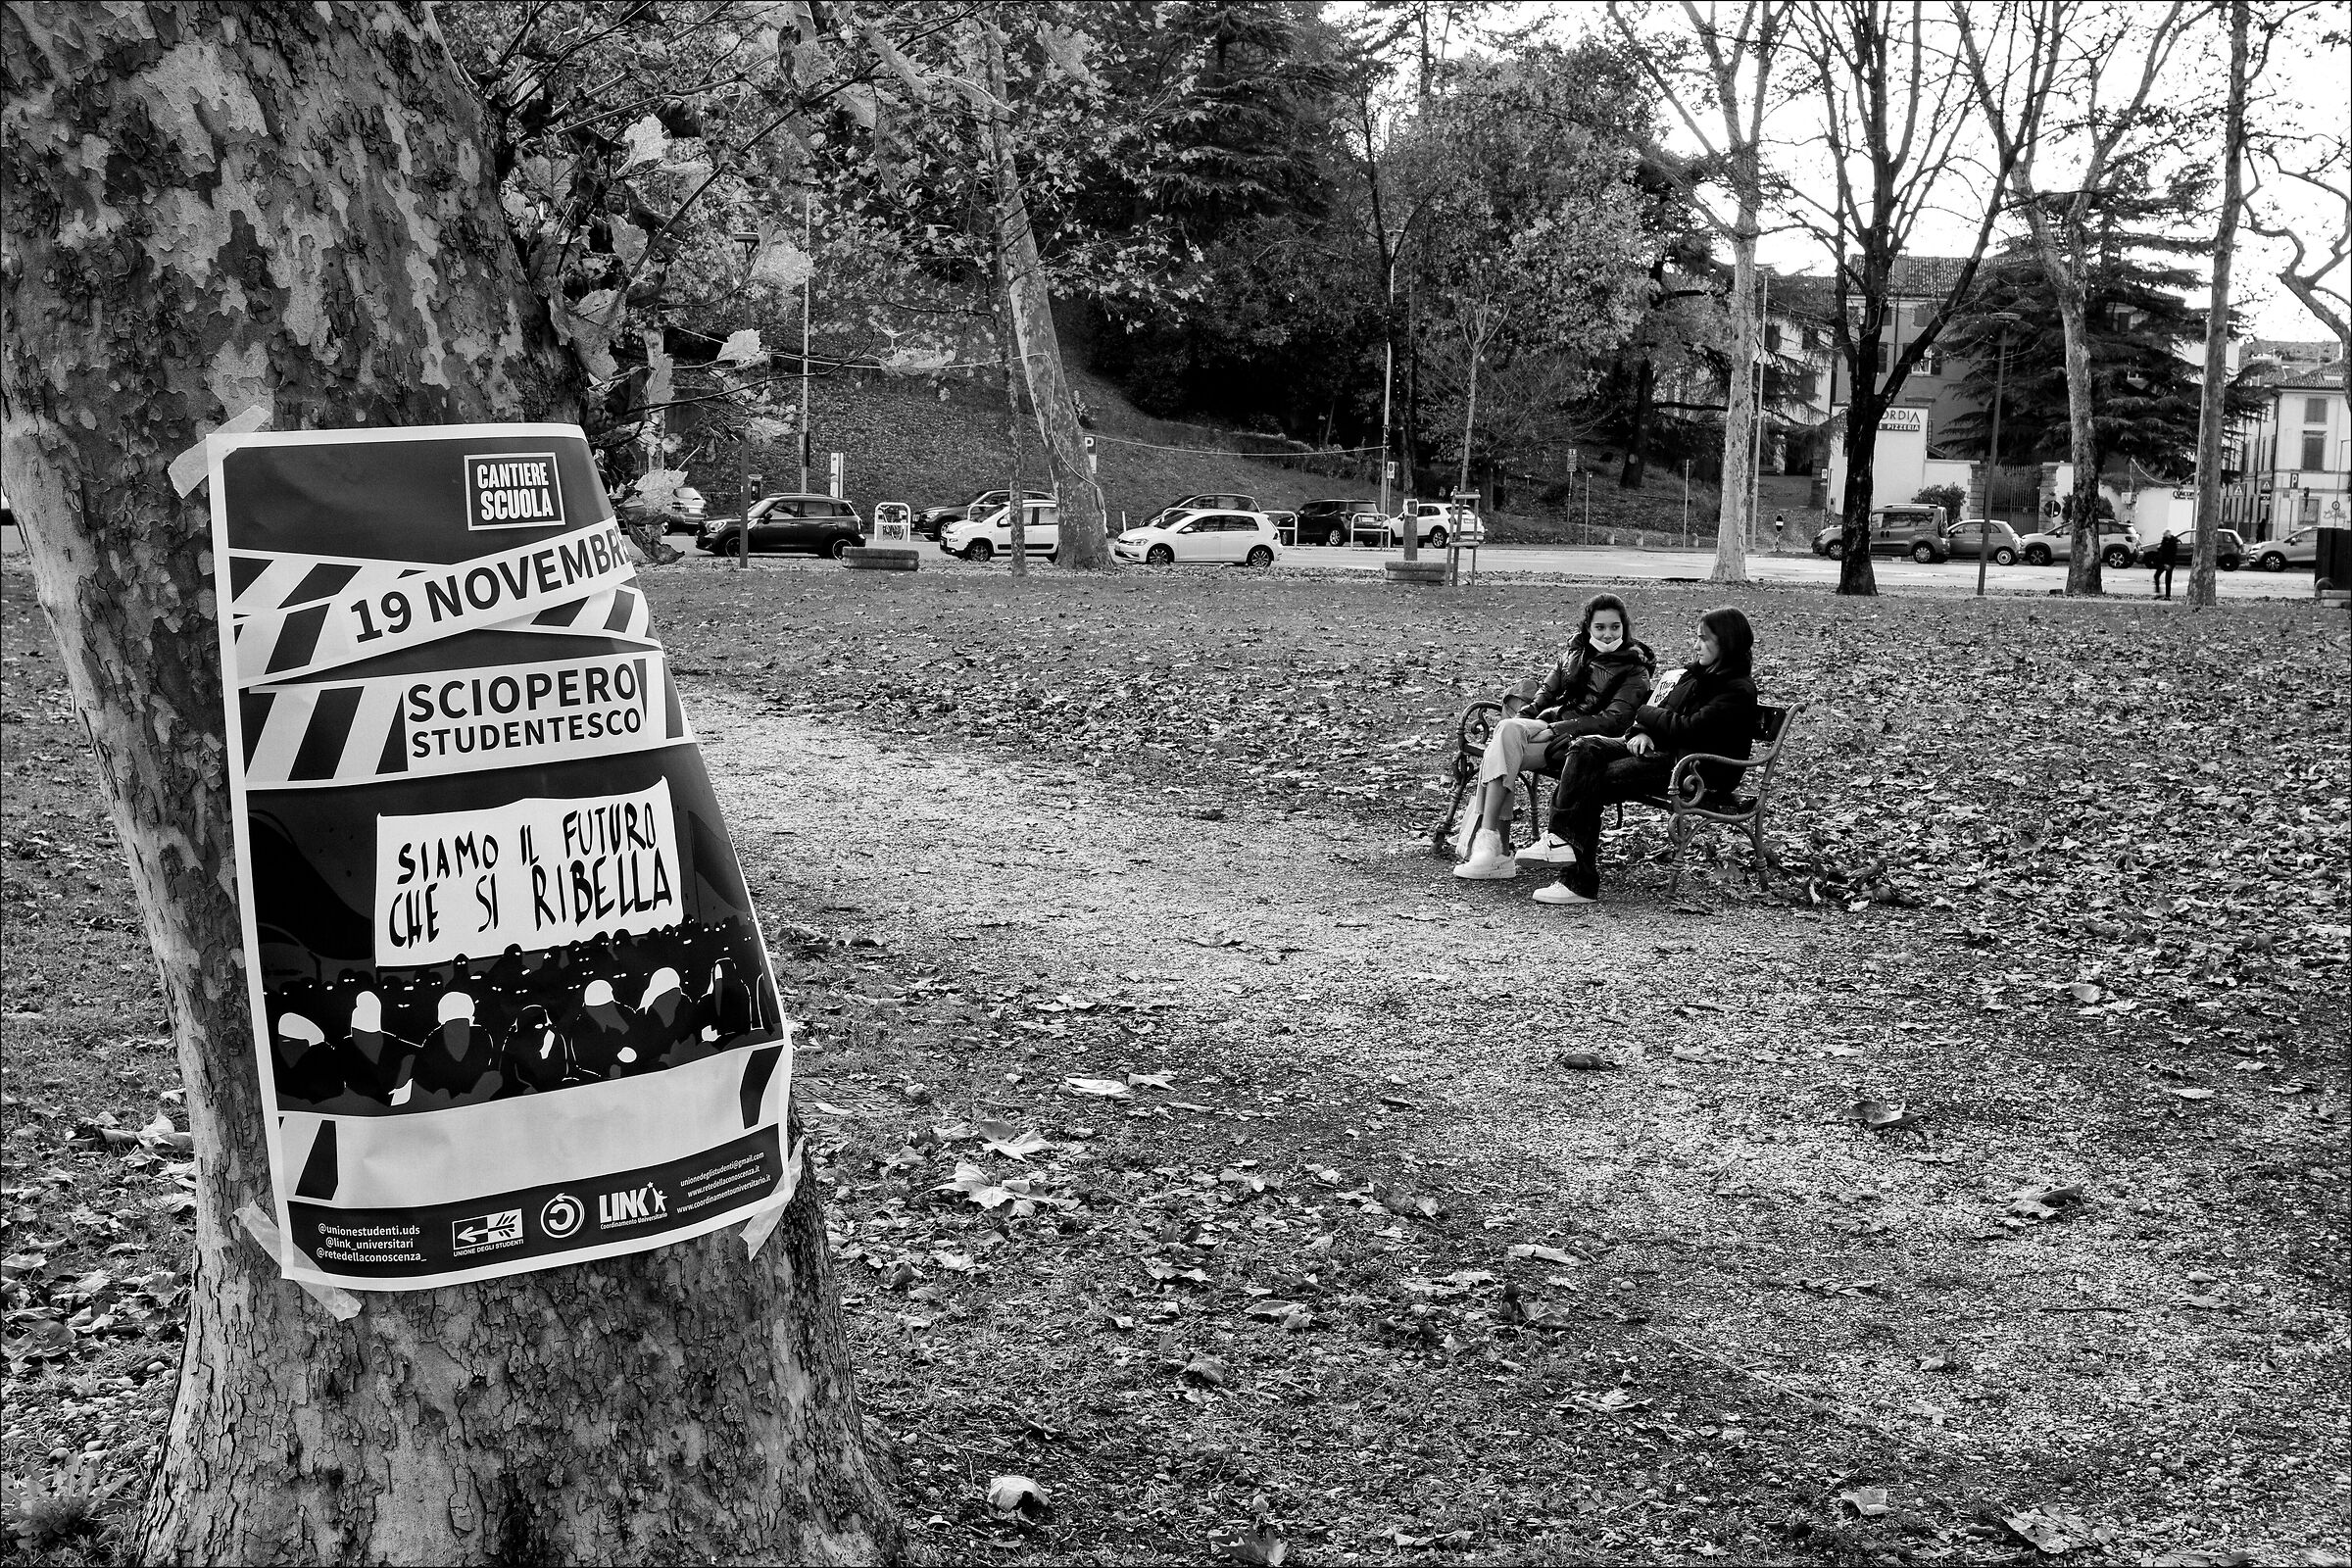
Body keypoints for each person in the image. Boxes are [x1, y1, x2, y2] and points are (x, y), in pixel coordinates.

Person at [1519, 607, 1760, 906]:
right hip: (1667, 753)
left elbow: (1689, 727)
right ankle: (1559, 840)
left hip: (1696, 771)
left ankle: (1579, 882)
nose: (1696, 645)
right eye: (1696, 637)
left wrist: (1645, 714)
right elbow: (1664, 710)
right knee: (1585, 748)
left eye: (1703, 639)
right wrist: (1642, 731)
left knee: (1593, 777)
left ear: (1726, 642)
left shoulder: (1737, 689)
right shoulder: (1694, 674)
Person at [1453, 595, 1655, 879]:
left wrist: (1555, 729)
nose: (1607, 634)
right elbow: (1544, 695)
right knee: (1507, 733)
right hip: (1549, 728)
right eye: (1600, 627)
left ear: (1625, 627)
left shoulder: (1635, 668)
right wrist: (1526, 718)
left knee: (1501, 748)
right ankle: (1493, 850)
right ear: (1588, 627)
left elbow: (1614, 721)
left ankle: (1494, 851)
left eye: (1614, 627)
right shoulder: (1574, 654)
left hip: (1582, 743)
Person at [2153, 529, 2180, 600]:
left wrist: (2168, 564)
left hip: (2169, 563)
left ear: (2168, 534)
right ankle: (2159, 593)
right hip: (2163, 562)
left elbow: (2172, 554)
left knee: (2167, 579)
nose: (2164, 536)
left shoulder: (2173, 543)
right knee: (2156, 576)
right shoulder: (2164, 541)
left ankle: (2168, 595)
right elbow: (2162, 552)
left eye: (2165, 534)